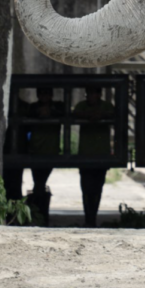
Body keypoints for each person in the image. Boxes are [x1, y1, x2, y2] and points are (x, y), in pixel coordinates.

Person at [72, 87, 115, 227]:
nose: (90, 96)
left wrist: (100, 115)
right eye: (88, 93)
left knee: (97, 187)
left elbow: (114, 114)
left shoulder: (106, 106)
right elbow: (74, 113)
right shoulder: (82, 105)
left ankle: (92, 217)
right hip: (85, 153)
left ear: (99, 94)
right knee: (86, 187)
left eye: (93, 93)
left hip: (101, 153)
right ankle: (88, 217)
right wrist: (91, 115)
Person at [26, 87, 63, 223]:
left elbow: (63, 113)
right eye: (41, 93)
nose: (44, 96)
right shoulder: (32, 108)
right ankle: (39, 215)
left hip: (50, 150)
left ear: (51, 95)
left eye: (46, 93)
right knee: (39, 182)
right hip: (36, 149)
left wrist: (50, 112)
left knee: (40, 182)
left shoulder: (58, 107)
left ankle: (38, 214)